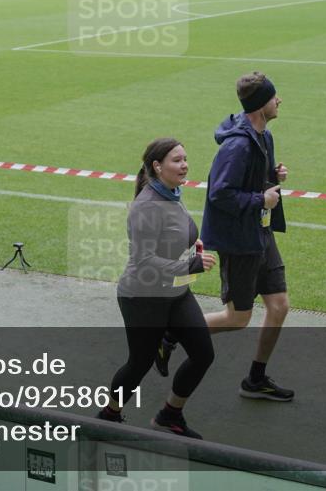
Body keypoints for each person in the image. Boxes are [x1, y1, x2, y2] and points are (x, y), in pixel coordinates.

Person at [156, 72, 294, 401]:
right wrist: (262, 199)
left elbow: (252, 181)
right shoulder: (236, 147)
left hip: (260, 234)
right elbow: (220, 194)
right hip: (239, 241)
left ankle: (255, 379)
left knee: (279, 306)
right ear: (261, 105)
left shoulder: (264, 137)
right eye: (275, 97)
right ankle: (171, 332)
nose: (280, 101)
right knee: (238, 318)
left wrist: (272, 177)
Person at [97, 138, 216, 438]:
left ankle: (170, 415)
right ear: (157, 166)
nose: (185, 164)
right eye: (177, 160)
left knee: (203, 354)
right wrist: (190, 266)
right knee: (139, 364)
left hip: (176, 293)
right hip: (143, 297)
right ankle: (108, 416)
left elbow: (174, 235)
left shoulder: (174, 192)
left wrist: (192, 246)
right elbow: (144, 260)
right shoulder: (146, 206)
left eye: (185, 158)